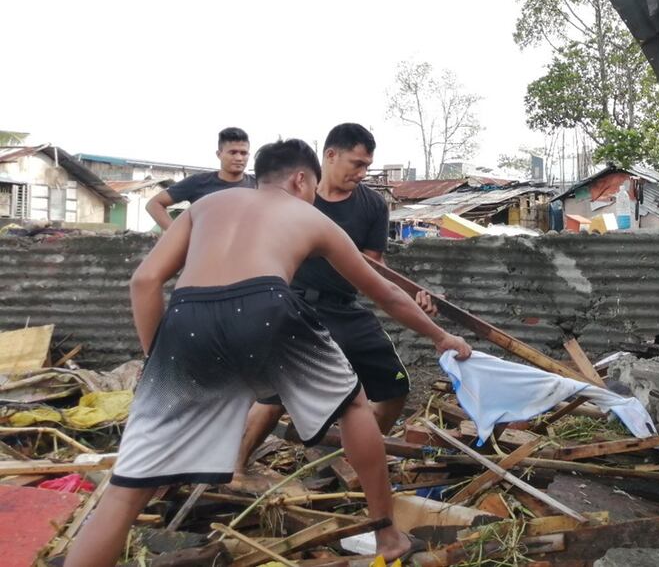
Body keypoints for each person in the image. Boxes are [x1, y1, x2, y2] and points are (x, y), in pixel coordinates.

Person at [64, 139, 471, 567]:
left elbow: (144, 282)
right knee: (353, 406)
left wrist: (159, 365)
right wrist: (441, 336)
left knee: (127, 489)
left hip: (186, 317)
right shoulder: (309, 216)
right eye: (312, 187)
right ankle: (387, 536)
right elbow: (385, 293)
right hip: (265, 305)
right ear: (300, 179)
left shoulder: (206, 206)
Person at [235, 124, 427, 475]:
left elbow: (374, 266)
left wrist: (414, 296)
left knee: (394, 387)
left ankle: (355, 459)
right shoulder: (295, 193)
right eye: (356, 163)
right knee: (276, 395)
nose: (362, 173)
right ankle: (233, 468)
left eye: (367, 165)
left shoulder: (371, 205)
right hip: (293, 304)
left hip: (344, 308)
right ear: (330, 155)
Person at [146, 127, 257, 230]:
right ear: (219, 154)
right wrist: (177, 236)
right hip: (206, 249)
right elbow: (154, 204)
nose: (239, 158)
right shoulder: (198, 182)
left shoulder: (259, 184)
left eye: (243, 153)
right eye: (232, 152)